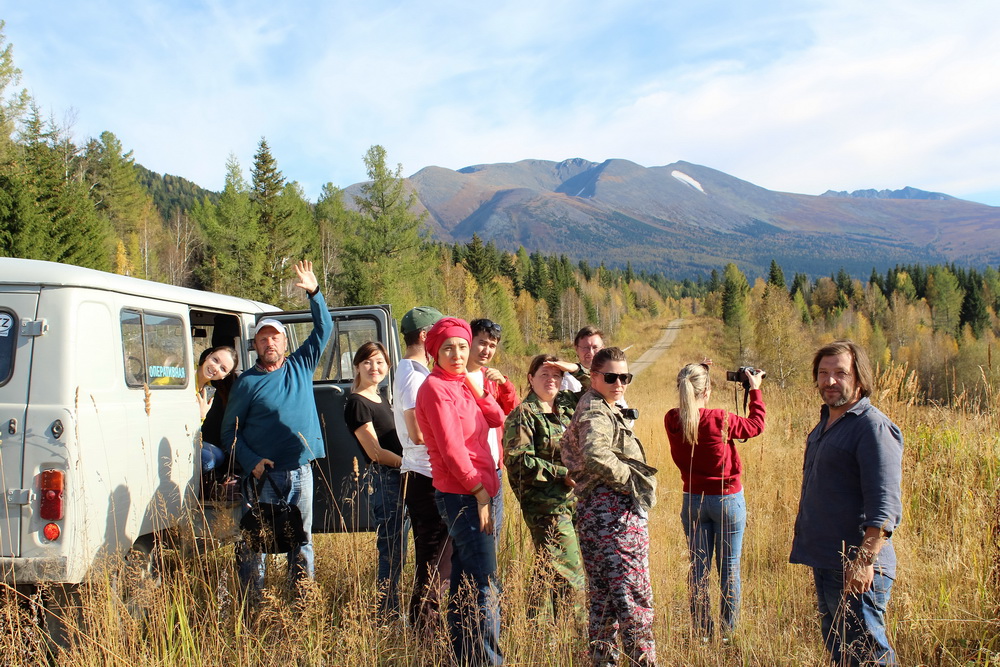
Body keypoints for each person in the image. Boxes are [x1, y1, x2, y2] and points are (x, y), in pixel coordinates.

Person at [222, 260, 332, 601]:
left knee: (302, 540)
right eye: (263, 338)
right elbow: (229, 434)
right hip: (264, 477)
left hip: (301, 470)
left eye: (275, 337)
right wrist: (251, 461)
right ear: (255, 345)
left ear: (285, 342)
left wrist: (314, 292)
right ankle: (253, 605)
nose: (270, 342)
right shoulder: (247, 383)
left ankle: (301, 601)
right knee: (258, 543)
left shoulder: (301, 364)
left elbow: (324, 328)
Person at [790, 340, 903, 666]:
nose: (829, 381)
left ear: (859, 377)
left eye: (840, 373)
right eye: (823, 373)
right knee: (842, 653)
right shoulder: (827, 424)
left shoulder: (871, 427)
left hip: (858, 567)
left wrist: (864, 560)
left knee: (869, 657)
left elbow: (885, 505)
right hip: (827, 562)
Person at [415, 317, 506, 666]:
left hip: (484, 488)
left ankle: (463, 655)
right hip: (465, 494)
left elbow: (497, 418)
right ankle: (486, 660)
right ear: (434, 351)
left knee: (467, 577)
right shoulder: (435, 388)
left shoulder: (462, 382)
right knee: (485, 581)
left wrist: (477, 387)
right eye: (448, 348)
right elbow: (452, 451)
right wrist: (480, 492)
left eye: (462, 347)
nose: (457, 354)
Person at [561, 347, 657, 666]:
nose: (619, 383)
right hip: (612, 518)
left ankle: (604, 661)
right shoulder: (596, 409)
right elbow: (594, 453)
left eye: (624, 377)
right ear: (594, 377)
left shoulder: (601, 404)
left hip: (597, 515)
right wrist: (631, 478)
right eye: (612, 377)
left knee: (604, 605)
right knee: (633, 604)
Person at [663, 362, 765, 640]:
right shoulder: (720, 419)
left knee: (698, 569)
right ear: (707, 390)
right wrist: (754, 391)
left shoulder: (672, 419)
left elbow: (692, 414)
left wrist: (699, 370)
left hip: (693, 500)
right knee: (729, 567)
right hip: (727, 499)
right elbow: (756, 426)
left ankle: (702, 633)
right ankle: (727, 633)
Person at [503, 354, 588, 617]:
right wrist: (562, 473)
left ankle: (538, 630)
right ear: (530, 379)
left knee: (548, 568)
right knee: (571, 571)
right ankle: (579, 638)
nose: (551, 380)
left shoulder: (566, 405)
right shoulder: (524, 415)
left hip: (574, 501)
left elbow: (595, 387)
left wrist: (573, 368)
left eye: (556, 375)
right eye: (544, 374)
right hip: (546, 505)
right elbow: (518, 462)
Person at [393, 306, 450, 632]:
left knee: (437, 560)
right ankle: (425, 633)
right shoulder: (414, 378)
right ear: (426, 336)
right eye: (440, 335)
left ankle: (427, 628)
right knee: (433, 563)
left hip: (425, 475)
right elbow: (417, 432)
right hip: (426, 477)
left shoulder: (414, 372)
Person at [345, 341, 405, 620]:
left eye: (380, 362)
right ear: (357, 366)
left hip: (400, 478)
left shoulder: (381, 397)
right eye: (368, 362)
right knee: (391, 550)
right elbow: (376, 452)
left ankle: (392, 607)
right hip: (385, 480)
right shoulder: (357, 403)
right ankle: (386, 613)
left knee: (399, 548)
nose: (374, 367)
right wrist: (410, 464)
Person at [466, 318, 519, 541]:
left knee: (493, 534)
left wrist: (505, 385)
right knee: (472, 538)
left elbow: (515, 411)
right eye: (482, 343)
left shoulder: (491, 379)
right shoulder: (455, 378)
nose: (487, 350)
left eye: (492, 345)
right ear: (468, 341)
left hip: (494, 468)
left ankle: (490, 578)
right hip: (469, 470)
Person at [195, 345, 238, 481]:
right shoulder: (184, 378)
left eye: (223, 369)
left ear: (224, 376)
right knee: (208, 459)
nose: (215, 368)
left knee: (218, 456)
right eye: (215, 360)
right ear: (208, 356)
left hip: (190, 438)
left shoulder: (208, 391)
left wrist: (201, 417)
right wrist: (200, 415)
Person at [560, 326, 605, 393]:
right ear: (576, 349)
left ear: (603, 349)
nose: (590, 352)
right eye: (585, 347)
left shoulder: (611, 377)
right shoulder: (567, 379)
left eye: (595, 347)